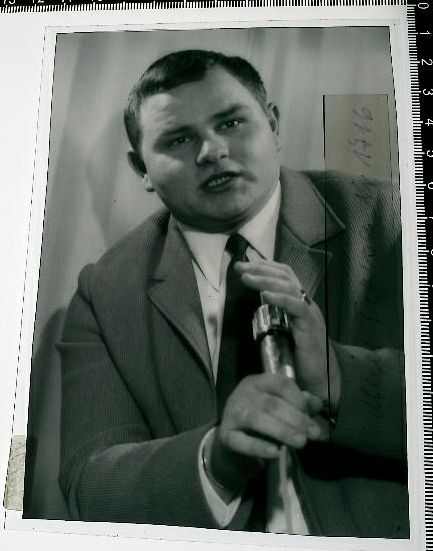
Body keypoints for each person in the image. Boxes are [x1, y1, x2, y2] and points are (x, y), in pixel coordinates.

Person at [58, 49, 409, 537]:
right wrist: (214, 460)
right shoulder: (103, 292)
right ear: (141, 169)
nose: (212, 150)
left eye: (231, 122)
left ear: (273, 125)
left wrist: (339, 377)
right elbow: (89, 487)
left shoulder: (394, 219)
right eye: (179, 139)